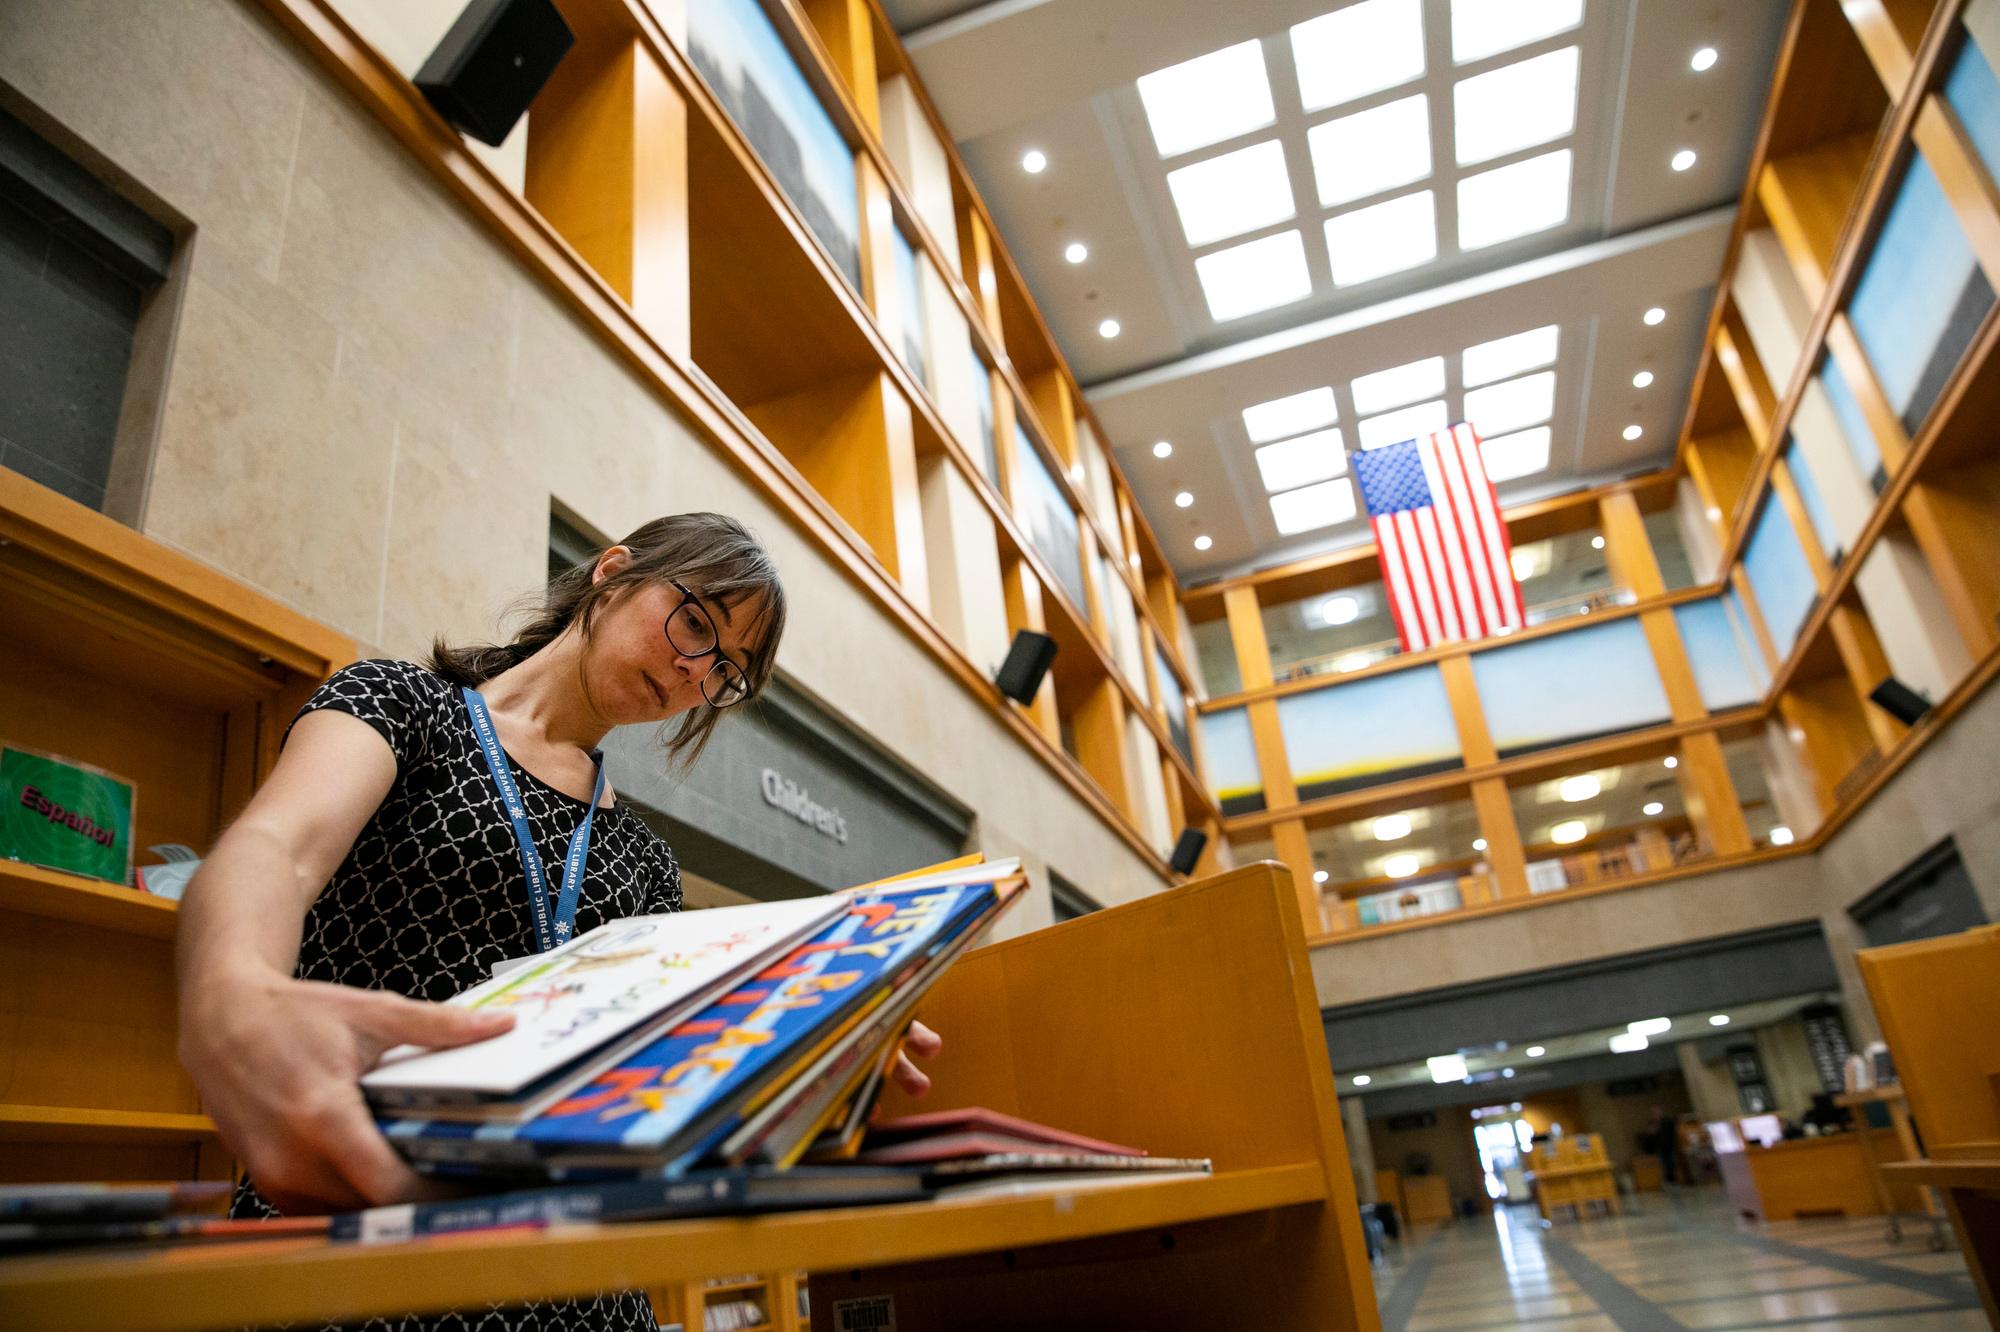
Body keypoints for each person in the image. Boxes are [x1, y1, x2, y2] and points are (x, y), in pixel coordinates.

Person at [175, 513, 941, 1331]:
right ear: (611, 572)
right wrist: (231, 985)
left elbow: (652, 1081)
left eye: (723, 671)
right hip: (361, 1241)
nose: (692, 673)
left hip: (577, 1289)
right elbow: (278, 848)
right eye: (694, 623)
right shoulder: (404, 706)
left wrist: (814, 1049)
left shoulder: (643, 859)